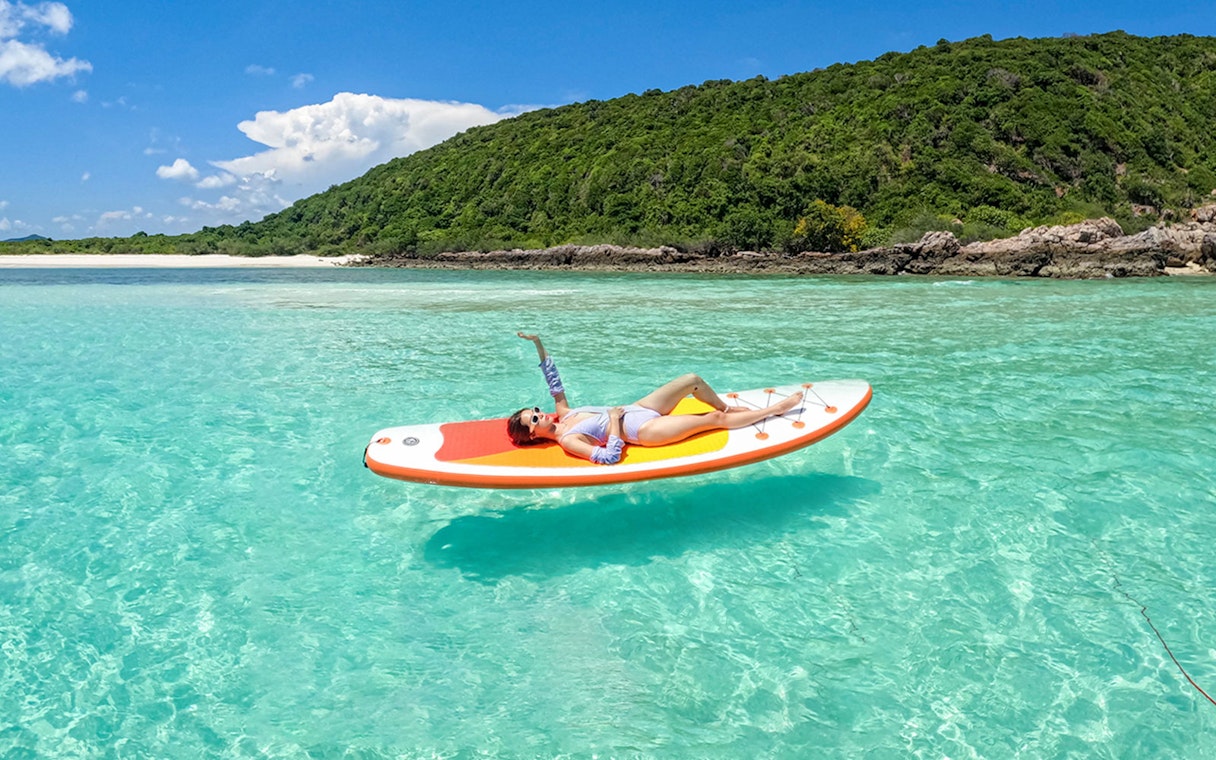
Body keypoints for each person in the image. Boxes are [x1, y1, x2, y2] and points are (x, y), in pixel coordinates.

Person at [506, 333, 803, 465]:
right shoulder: (569, 441)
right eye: (534, 418)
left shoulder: (564, 412)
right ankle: (775, 410)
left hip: (640, 408)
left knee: (691, 380)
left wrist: (538, 343)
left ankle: (725, 405)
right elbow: (608, 458)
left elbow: (552, 378)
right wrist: (612, 421)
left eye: (534, 409)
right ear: (533, 434)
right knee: (713, 421)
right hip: (642, 432)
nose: (539, 413)